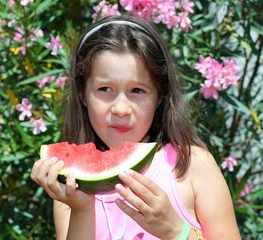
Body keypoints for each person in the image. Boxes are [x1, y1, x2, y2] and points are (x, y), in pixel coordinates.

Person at [31, 15, 241, 240]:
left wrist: (175, 231)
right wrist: (81, 210)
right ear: (82, 94)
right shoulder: (71, 184)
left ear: (159, 96)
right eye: (104, 89)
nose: (121, 108)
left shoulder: (192, 164)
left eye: (137, 91)